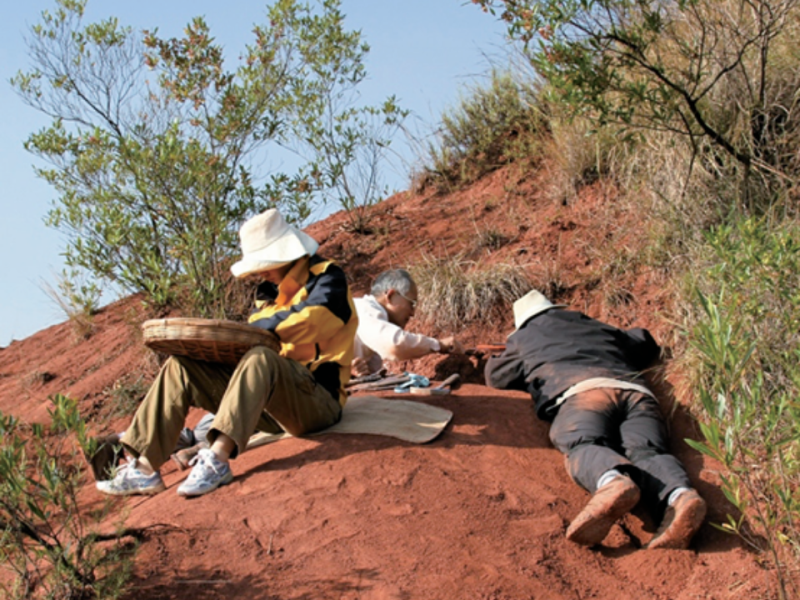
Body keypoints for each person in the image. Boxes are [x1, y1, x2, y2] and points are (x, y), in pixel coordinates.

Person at [96, 209, 358, 498]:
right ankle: (144, 468)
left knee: (261, 357)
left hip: (318, 402)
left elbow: (310, 320)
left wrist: (258, 328)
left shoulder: (328, 278)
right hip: (270, 406)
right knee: (181, 366)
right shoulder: (267, 292)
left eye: (265, 262)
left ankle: (217, 459)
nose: (260, 271)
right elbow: (260, 330)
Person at [484, 290, 706, 550]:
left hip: (583, 395)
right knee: (646, 451)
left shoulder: (522, 338)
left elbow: (496, 376)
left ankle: (610, 482)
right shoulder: (589, 323)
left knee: (581, 442)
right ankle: (680, 497)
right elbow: (643, 340)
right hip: (637, 395)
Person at [351, 269, 464, 377]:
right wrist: (438, 345)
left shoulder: (368, 320)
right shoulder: (365, 309)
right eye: (411, 304)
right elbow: (395, 344)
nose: (412, 313)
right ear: (390, 295)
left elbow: (373, 371)